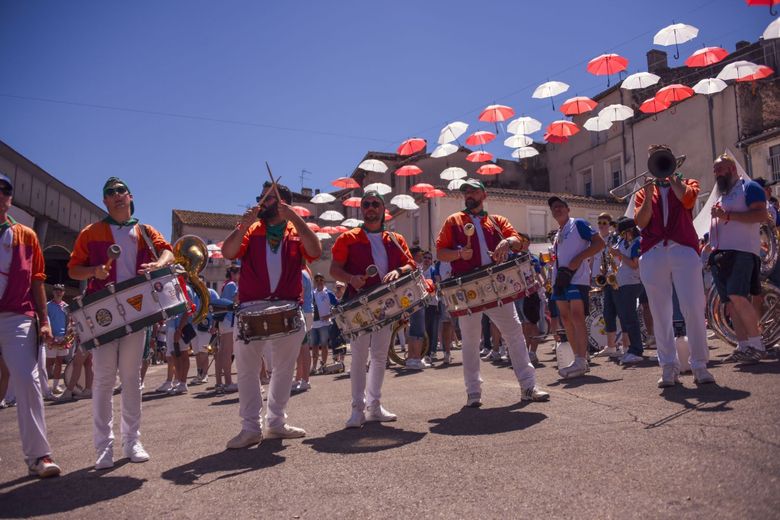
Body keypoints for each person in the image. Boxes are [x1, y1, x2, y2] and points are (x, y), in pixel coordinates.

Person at [68, 177, 174, 468]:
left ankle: (132, 440)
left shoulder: (144, 230)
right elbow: (74, 270)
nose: (116, 195)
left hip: (137, 310)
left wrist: (159, 263)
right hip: (103, 312)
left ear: (130, 197)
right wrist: (94, 271)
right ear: (104, 201)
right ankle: (104, 447)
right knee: (103, 379)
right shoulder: (91, 232)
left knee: (131, 378)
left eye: (121, 191)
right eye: (110, 193)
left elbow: (168, 250)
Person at [221, 181, 321, 448]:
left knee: (284, 369)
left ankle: (276, 422)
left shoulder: (295, 230)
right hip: (251, 307)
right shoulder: (251, 229)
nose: (261, 203)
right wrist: (242, 225)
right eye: (261, 198)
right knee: (247, 370)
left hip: (288, 306)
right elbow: (228, 252)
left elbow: (315, 251)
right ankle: (250, 428)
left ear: (282, 203)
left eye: (267, 199)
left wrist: (296, 219)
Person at [436, 179, 549, 406]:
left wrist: (507, 242)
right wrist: (459, 255)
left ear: (484, 195)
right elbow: (440, 252)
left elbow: (518, 241)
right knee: (470, 341)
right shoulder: (453, 221)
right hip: (468, 287)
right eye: (466, 191)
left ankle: (528, 386)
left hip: (498, 284)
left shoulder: (497, 221)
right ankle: (473, 392)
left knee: (514, 333)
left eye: (473, 191)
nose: (469, 194)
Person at [330, 190, 416, 428]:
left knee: (379, 356)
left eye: (375, 204)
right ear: (362, 209)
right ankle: (357, 410)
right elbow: (334, 270)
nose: (370, 208)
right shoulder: (347, 238)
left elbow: (411, 264)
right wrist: (350, 278)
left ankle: (374, 406)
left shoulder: (395, 239)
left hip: (386, 304)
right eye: (366, 204)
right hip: (358, 305)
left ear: (383, 209)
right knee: (358, 357)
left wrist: (399, 271)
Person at [634, 145, 715, 387]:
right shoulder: (644, 192)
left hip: (683, 248)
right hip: (653, 250)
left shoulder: (688, 183)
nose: (659, 163)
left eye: (662, 157)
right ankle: (668, 366)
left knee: (693, 306)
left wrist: (672, 179)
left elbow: (688, 201)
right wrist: (649, 195)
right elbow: (641, 222)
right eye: (655, 159)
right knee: (660, 312)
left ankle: (699, 365)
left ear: (672, 160)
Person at [0, 172, 61, 477]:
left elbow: (37, 280)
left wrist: (45, 320)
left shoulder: (26, 235)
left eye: (4, 190)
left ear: (10, 198)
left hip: (17, 316)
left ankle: (39, 456)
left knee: (27, 379)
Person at [709, 154, 768, 363]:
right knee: (731, 303)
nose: (716, 174)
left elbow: (761, 215)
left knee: (738, 297)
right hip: (722, 254)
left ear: (732, 169)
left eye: (719, 169)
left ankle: (757, 345)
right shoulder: (723, 195)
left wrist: (726, 216)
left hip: (741, 251)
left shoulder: (749, 187)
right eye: (715, 170)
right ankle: (743, 346)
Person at [548, 196, 604, 379]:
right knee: (565, 318)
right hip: (560, 280)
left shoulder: (578, 223)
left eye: (560, 206)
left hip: (577, 278)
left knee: (577, 317)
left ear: (568, 209)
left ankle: (580, 359)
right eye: (554, 208)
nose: (557, 209)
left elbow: (599, 243)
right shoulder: (558, 232)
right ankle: (579, 359)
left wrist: (579, 258)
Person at [609, 217, 645, 364]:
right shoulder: (623, 242)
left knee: (630, 318)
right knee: (625, 318)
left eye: (622, 233)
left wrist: (619, 254)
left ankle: (637, 350)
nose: (621, 236)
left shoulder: (638, 242)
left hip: (632, 283)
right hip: (621, 283)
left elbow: (635, 264)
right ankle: (631, 349)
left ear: (630, 231)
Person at [215, 265, 239, 393]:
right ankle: (229, 382)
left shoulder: (225, 284)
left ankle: (223, 382)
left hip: (224, 321)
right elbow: (236, 299)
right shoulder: (232, 285)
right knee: (227, 352)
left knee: (223, 352)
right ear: (233, 274)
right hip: (230, 320)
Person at [310, 273, 337, 374]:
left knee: (324, 345)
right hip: (313, 324)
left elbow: (338, 306)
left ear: (324, 281)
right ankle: (314, 367)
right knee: (314, 346)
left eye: (321, 280)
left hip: (324, 324)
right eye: (317, 280)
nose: (319, 282)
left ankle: (323, 366)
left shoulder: (328, 293)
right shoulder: (311, 294)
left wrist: (329, 315)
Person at [44, 284, 69, 395]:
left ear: (63, 292)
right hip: (51, 338)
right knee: (48, 363)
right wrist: (49, 336)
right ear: (53, 292)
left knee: (59, 362)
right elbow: (44, 321)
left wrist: (67, 336)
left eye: (60, 290)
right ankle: (44, 387)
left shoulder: (66, 306)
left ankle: (55, 386)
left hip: (63, 337)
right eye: (56, 290)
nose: (58, 292)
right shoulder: (47, 306)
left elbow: (69, 321)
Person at [293, 266, 314, 392]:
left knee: (304, 347)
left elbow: (298, 295)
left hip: (303, 312)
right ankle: (299, 378)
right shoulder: (305, 272)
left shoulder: (300, 273)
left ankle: (305, 380)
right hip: (307, 311)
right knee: (301, 347)